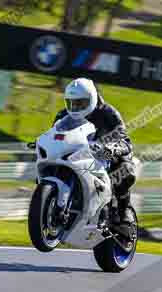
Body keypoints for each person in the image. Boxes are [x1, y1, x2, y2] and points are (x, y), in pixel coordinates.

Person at [54, 78, 136, 226]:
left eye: (80, 103)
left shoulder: (108, 113)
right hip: (77, 154)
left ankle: (124, 209)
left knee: (125, 170)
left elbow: (125, 140)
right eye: (72, 103)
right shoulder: (63, 116)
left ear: (92, 99)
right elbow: (53, 135)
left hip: (105, 156)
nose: (76, 107)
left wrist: (113, 148)